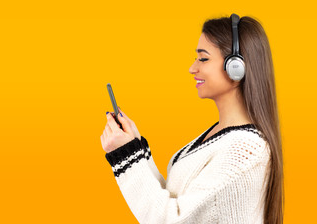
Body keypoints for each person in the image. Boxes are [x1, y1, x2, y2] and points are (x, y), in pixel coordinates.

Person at [100, 14, 284, 224]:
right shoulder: (222, 135)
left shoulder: (245, 149)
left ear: (236, 67)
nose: (192, 68)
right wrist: (135, 147)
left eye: (203, 58)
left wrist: (125, 155)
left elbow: (172, 220)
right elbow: (174, 200)